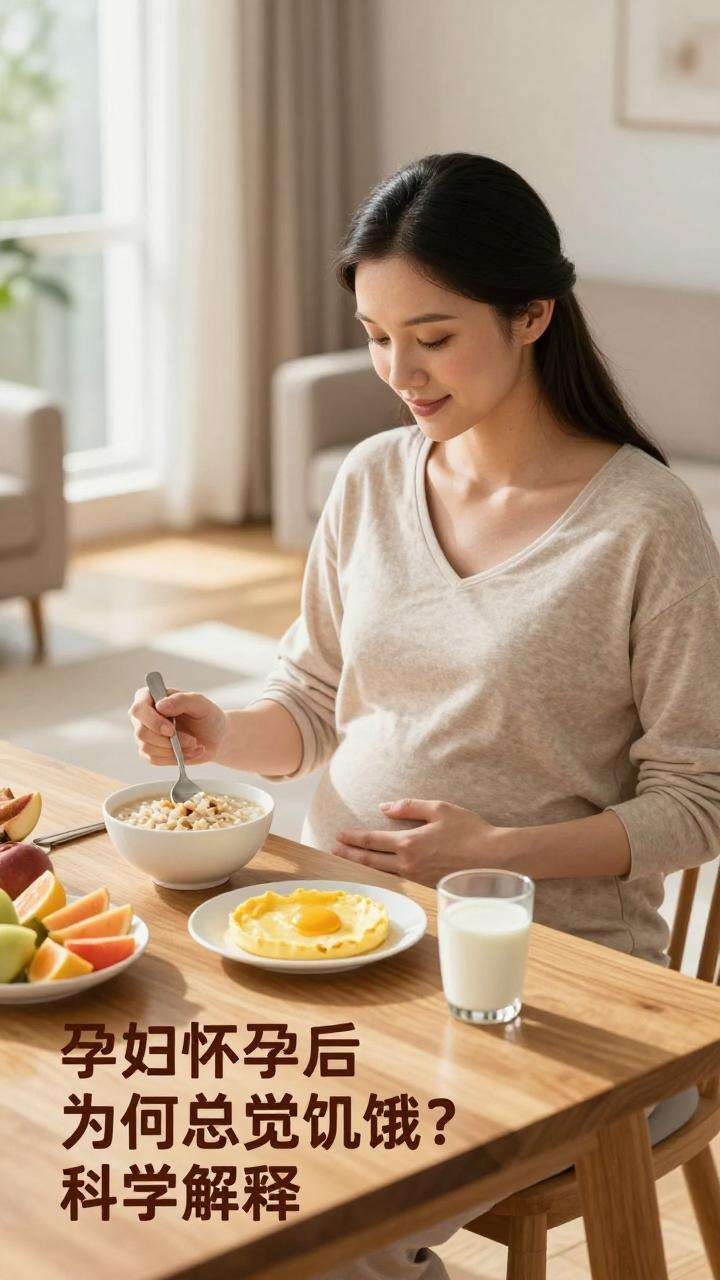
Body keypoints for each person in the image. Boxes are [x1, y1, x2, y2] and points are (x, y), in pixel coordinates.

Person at [128, 153, 720, 1278]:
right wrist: (222, 730)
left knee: (296, 1231)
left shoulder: (645, 526)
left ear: (532, 314)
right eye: (375, 335)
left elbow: (701, 802)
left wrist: (496, 853)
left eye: (433, 337)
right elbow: (313, 698)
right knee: (164, 1156)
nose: (399, 371)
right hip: (336, 935)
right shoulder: (370, 478)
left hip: (549, 981)